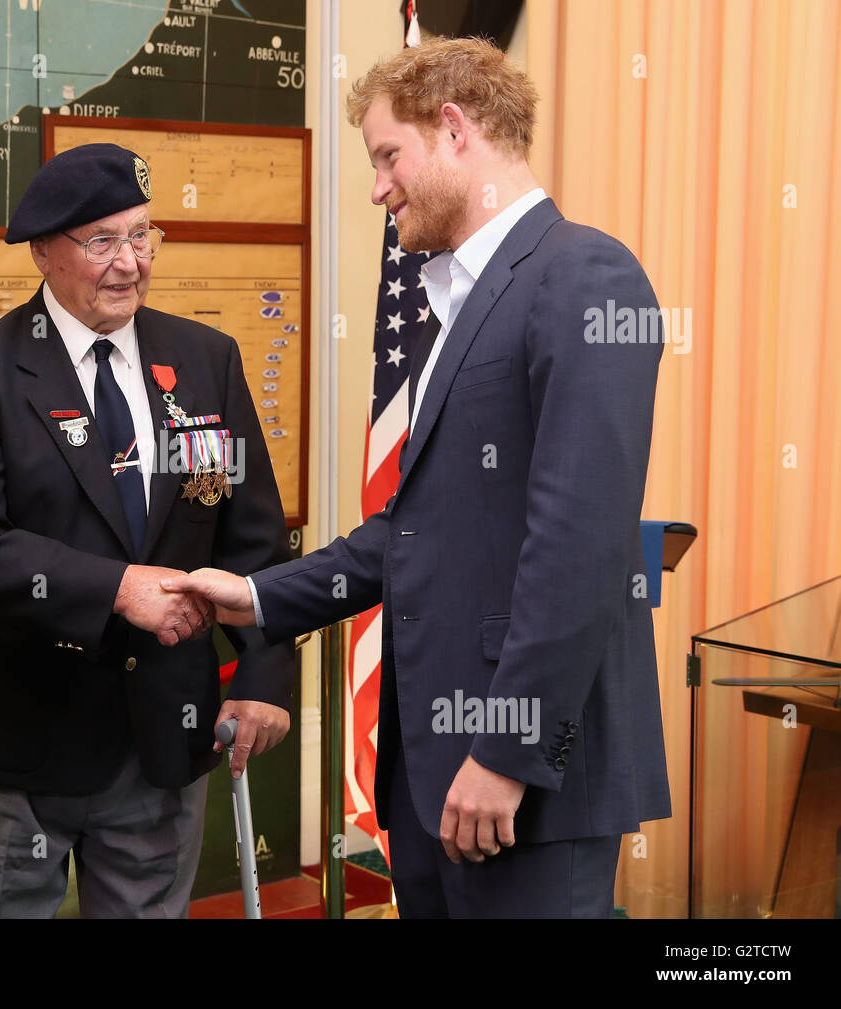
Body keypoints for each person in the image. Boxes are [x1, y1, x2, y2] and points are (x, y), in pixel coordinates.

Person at [166, 38, 671, 917]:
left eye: (387, 156)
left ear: (453, 129)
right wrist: (256, 593)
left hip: (519, 784)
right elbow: (412, 527)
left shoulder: (586, 274)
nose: (377, 187)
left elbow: (581, 544)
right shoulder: (462, 300)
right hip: (435, 777)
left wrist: (509, 754)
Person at [0, 143, 293, 918]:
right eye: (102, 242)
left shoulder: (208, 360)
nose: (130, 263)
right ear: (45, 252)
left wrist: (261, 680)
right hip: (18, 747)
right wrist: (119, 590)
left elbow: (252, 544)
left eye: (142, 235)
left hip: (164, 739)